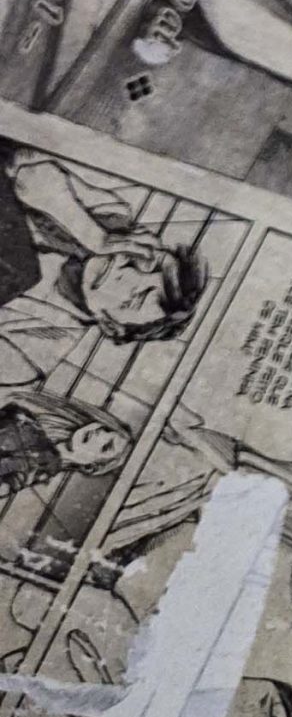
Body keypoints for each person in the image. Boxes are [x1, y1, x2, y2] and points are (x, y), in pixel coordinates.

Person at [0, 146, 203, 390]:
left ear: (111, 325)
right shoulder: (113, 218)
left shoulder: (37, 350)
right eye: (147, 264)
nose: (125, 272)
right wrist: (92, 233)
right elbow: (27, 167)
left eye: (132, 299)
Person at [0, 392, 130, 497]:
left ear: (90, 466)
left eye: (106, 447)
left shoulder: (32, 471)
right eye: (106, 429)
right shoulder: (31, 420)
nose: (100, 435)